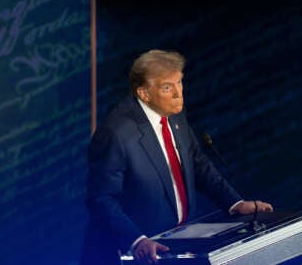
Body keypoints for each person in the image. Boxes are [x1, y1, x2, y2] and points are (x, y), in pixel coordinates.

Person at [80, 49, 273, 265]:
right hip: (131, 256)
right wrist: (137, 241)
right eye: (167, 87)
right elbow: (101, 200)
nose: (178, 93)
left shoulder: (174, 114)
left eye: (179, 83)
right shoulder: (115, 134)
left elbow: (197, 165)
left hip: (177, 247)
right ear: (144, 93)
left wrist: (235, 203)